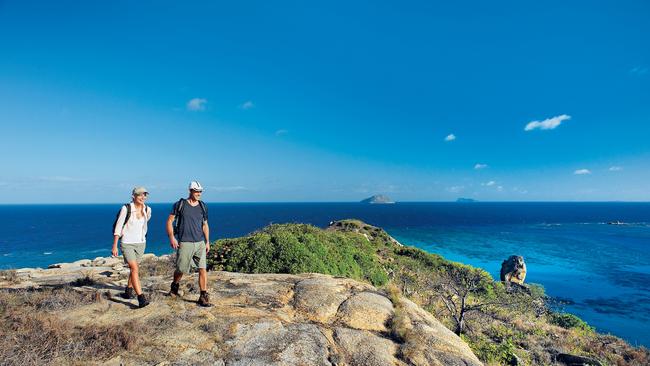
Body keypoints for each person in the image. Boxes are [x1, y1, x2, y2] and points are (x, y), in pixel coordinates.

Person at [167, 181, 212, 307]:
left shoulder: (203, 206)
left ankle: (203, 296)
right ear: (190, 191)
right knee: (180, 269)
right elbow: (170, 221)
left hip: (200, 243)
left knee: (202, 269)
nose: (199, 193)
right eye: (196, 191)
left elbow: (205, 225)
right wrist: (172, 238)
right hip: (185, 243)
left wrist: (207, 242)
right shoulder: (180, 204)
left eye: (200, 191)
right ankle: (174, 286)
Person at [112, 187, 151, 308]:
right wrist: (115, 245)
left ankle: (128, 290)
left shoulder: (147, 209)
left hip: (141, 243)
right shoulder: (126, 208)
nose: (142, 197)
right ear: (133, 196)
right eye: (140, 195)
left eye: (144, 195)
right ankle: (141, 298)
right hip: (127, 243)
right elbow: (118, 227)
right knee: (134, 268)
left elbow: (144, 225)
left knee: (135, 268)